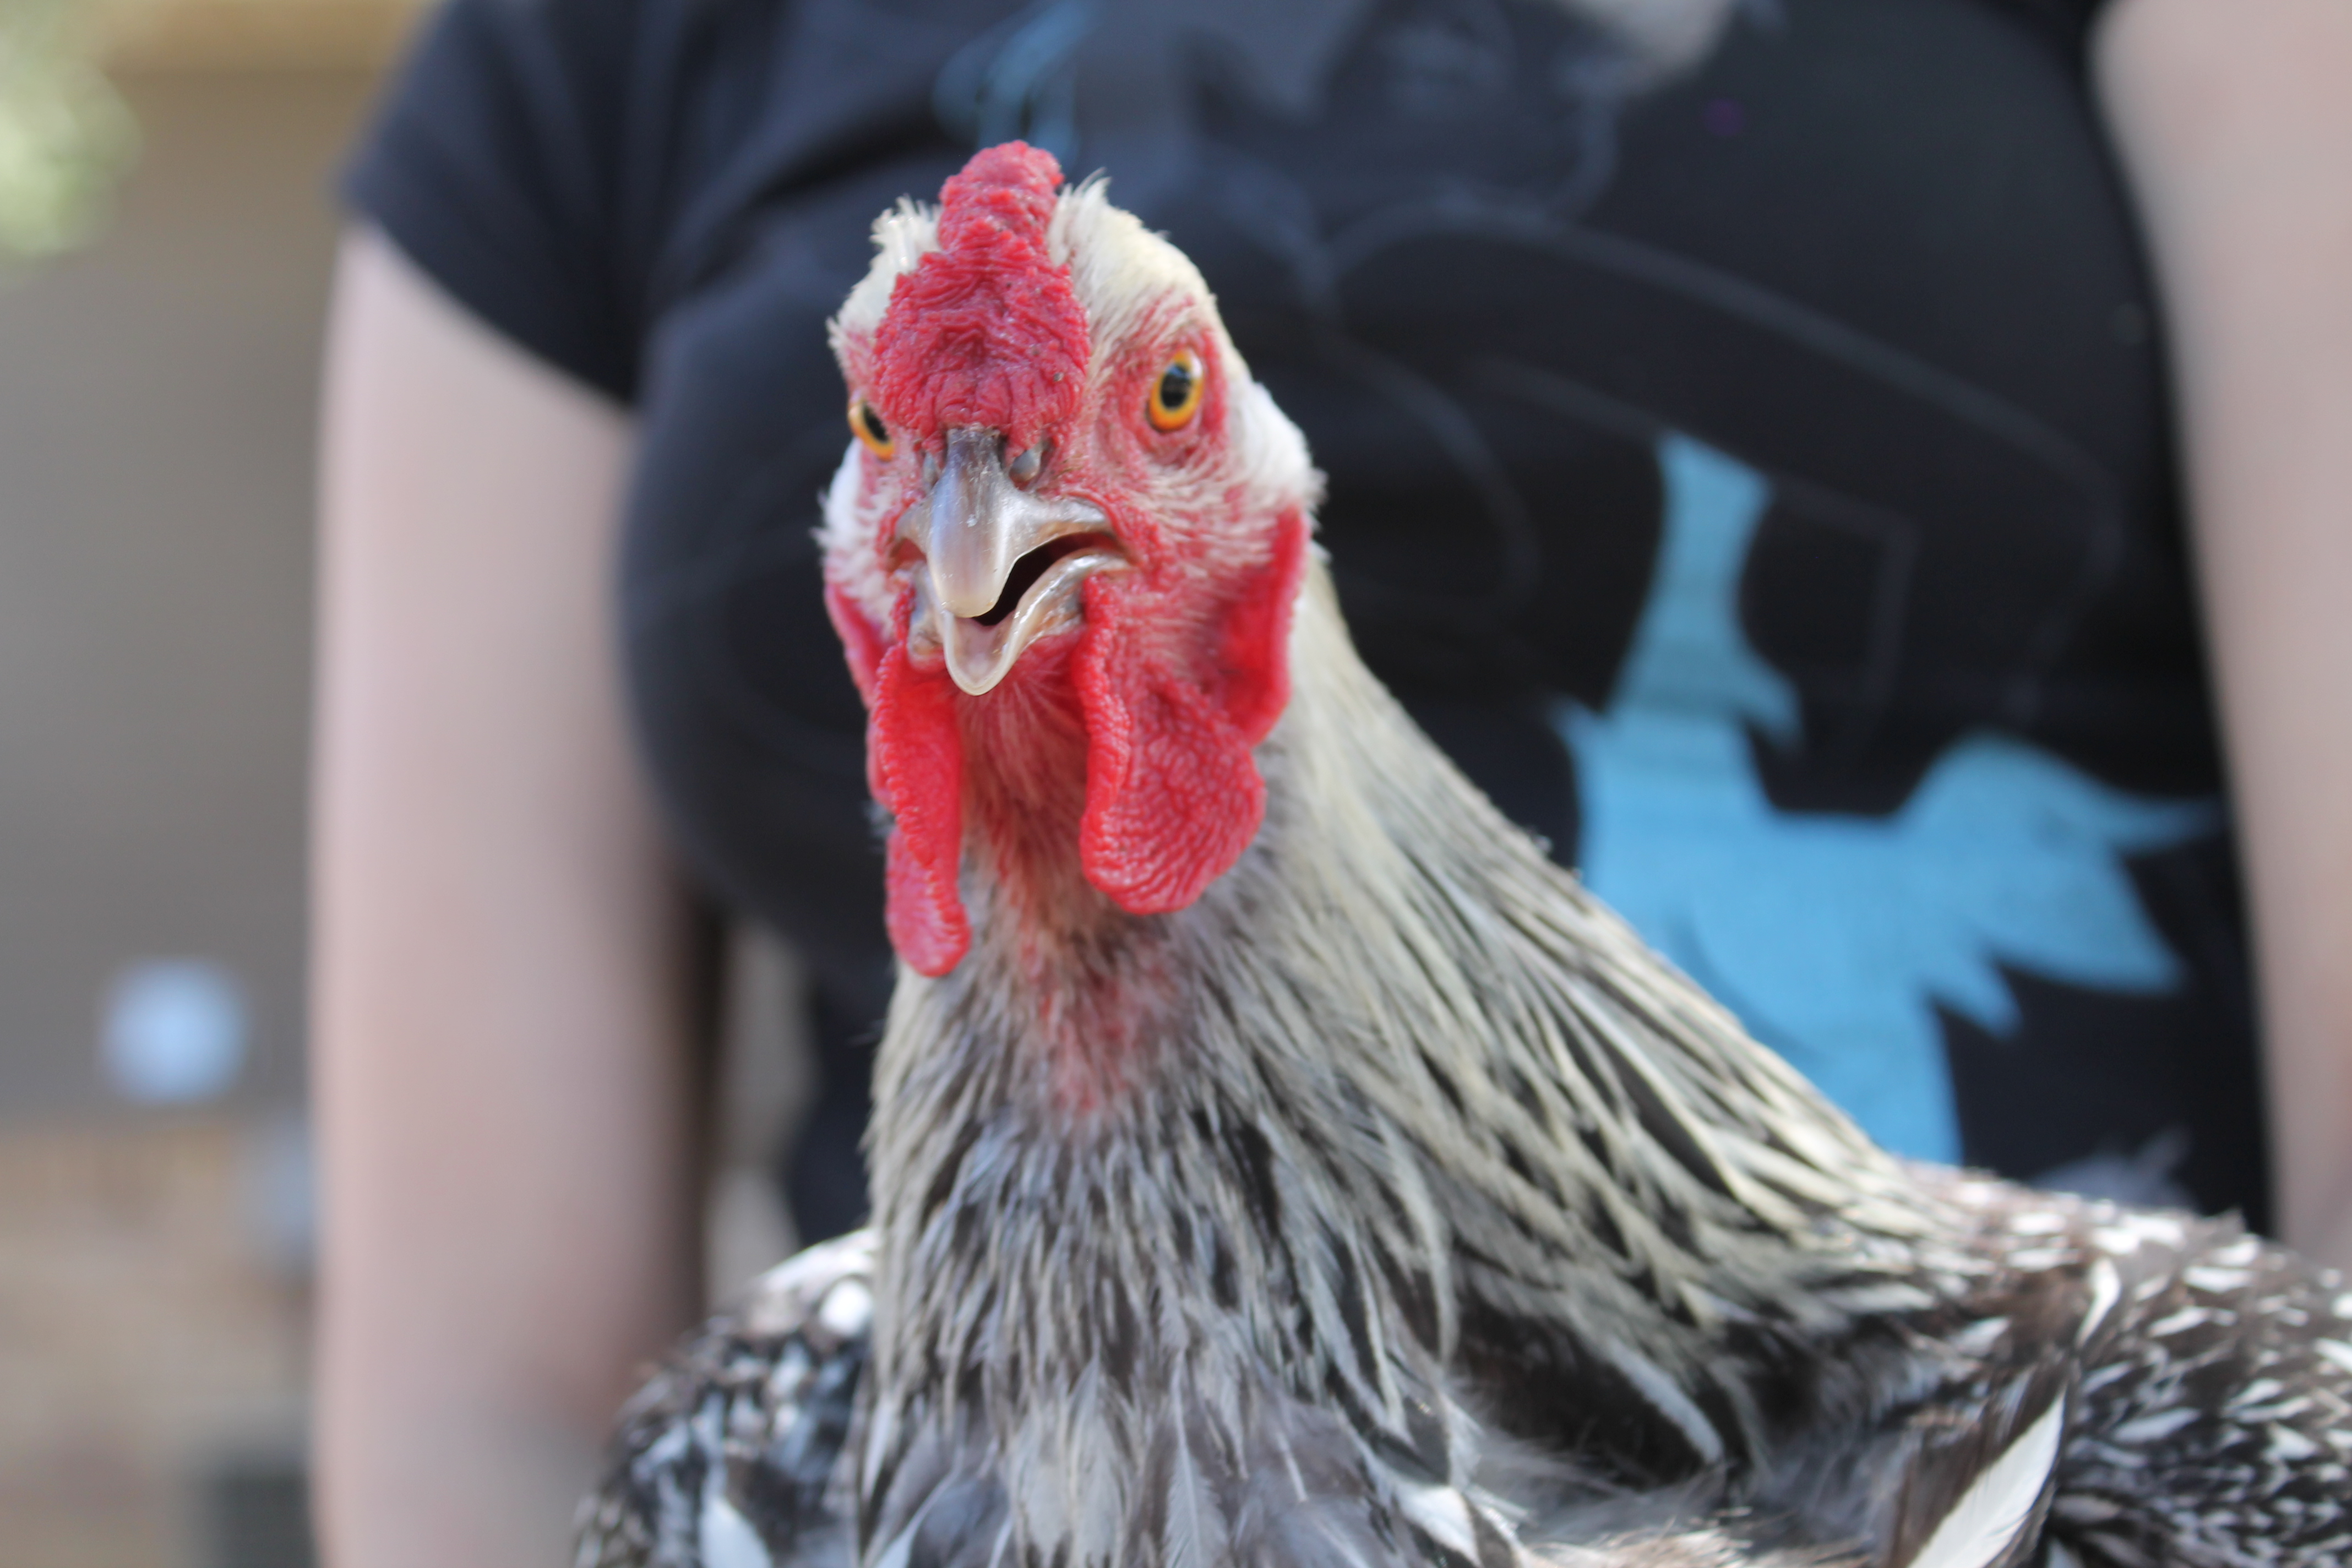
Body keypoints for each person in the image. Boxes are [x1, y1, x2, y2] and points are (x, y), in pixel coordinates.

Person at [309, 0, 2352, 1560]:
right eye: (885, 442)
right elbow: (479, 1400)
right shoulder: (586, 54)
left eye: (1158, 403)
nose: (981, 513)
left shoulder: (2165, 1424)